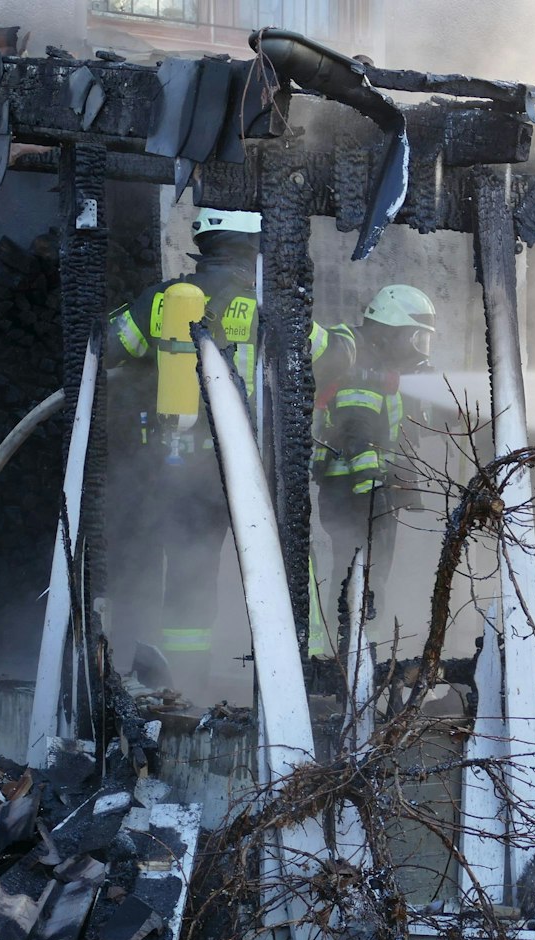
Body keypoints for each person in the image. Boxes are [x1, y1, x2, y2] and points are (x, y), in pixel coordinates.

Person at [104, 208, 335, 692]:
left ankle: (185, 686)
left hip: (185, 466)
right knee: (288, 566)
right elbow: (330, 355)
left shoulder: (166, 301)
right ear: (257, 243)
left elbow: (106, 347)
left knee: (192, 576)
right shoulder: (273, 304)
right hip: (258, 466)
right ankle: (304, 676)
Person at [312, 283, 434, 633]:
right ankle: (352, 650)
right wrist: (372, 490)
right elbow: (356, 433)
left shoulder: (379, 368)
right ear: (390, 330)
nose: (420, 351)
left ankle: (355, 648)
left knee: (366, 574)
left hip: (369, 490)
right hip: (358, 492)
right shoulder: (360, 363)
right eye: (415, 339)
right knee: (361, 575)